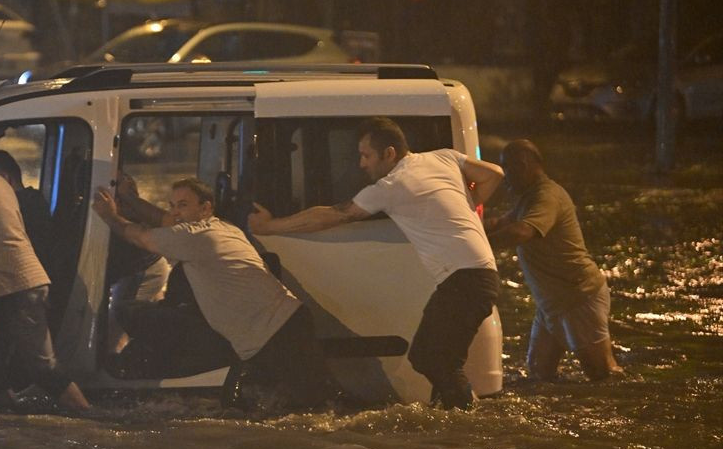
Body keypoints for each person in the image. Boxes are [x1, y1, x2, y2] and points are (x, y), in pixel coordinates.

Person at [248, 116, 504, 410]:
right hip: (477, 274)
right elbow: (494, 173)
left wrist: (271, 227)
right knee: (437, 356)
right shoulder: (443, 158)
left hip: (465, 279)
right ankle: (454, 410)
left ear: (390, 153)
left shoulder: (392, 184)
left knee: (431, 357)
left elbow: (336, 214)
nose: (361, 164)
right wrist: (470, 206)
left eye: (366, 155)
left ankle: (467, 420)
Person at [92, 176, 333, 409]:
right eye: (173, 205)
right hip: (277, 329)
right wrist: (131, 199)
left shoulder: (197, 237)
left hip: (276, 335)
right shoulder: (221, 228)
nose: (175, 212)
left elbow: (142, 237)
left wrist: (110, 216)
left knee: (318, 411)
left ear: (206, 208)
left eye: (183, 205)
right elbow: (165, 220)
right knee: (257, 408)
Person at [486, 139, 622, 381]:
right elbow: (501, 224)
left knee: (603, 375)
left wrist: (480, 244)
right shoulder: (529, 197)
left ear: (523, 165)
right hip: (552, 302)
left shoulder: (547, 196)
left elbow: (522, 232)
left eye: (507, 168)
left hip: (577, 297)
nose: (504, 177)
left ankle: (636, 405)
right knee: (539, 373)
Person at [0, 166, 90, 412]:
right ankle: (7, 426)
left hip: (15, 286)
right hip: (9, 285)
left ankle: (90, 416)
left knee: (41, 366)